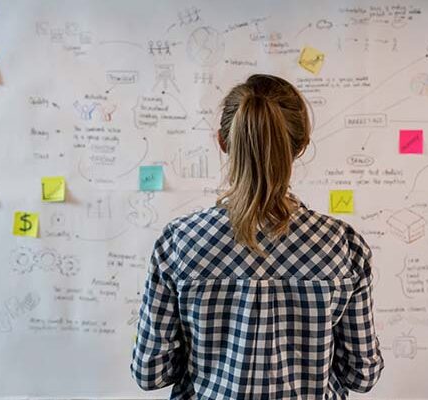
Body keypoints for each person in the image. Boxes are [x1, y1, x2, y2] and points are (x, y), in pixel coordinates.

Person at [131, 74, 383, 399]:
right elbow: (362, 376)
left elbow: (150, 372)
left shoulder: (179, 242)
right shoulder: (342, 246)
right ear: (301, 146)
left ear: (222, 142)